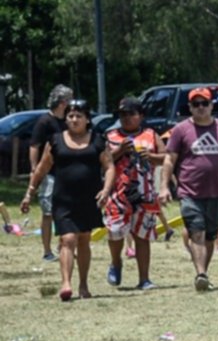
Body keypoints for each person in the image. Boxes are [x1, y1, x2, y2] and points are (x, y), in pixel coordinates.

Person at [164, 87, 218, 293]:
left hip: (217, 191)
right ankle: (200, 273)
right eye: (196, 104)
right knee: (197, 232)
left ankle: (204, 272)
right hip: (189, 191)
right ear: (190, 108)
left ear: (211, 105)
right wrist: (164, 186)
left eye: (204, 103)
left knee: (210, 236)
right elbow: (169, 159)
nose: (200, 108)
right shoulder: (181, 130)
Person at [21, 98, 104, 301]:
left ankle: (83, 284)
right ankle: (66, 283)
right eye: (70, 116)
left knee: (84, 239)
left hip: (88, 197)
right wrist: (29, 193)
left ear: (87, 119)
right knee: (67, 239)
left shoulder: (97, 140)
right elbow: (42, 168)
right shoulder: (55, 141)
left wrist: (107, 189)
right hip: (63, 198)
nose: (74, 119)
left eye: (78, 116)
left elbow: (109, 167)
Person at [102, 97, 166, 290]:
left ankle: (144, 278)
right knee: (115, 232)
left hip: (144, 193)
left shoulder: (150, 135)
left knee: (142, 236)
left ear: (141, 116)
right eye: (123, 115)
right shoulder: (111, 135)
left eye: (131, 114)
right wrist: (119, 151)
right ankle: (116, 263)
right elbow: (103, 160)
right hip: (117, 193)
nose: (127, 118)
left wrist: (153, 157)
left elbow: (167, 157)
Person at [27, 84, 72, 262]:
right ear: (62, 102)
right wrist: (34, 168)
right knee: (48, 212)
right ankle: (47, 251)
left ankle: (64, 247)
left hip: (67, 172)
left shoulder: (69, 120)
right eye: (69, 100)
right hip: (50, 174)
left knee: (67, 211)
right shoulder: (45, 121)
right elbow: (34, 145)